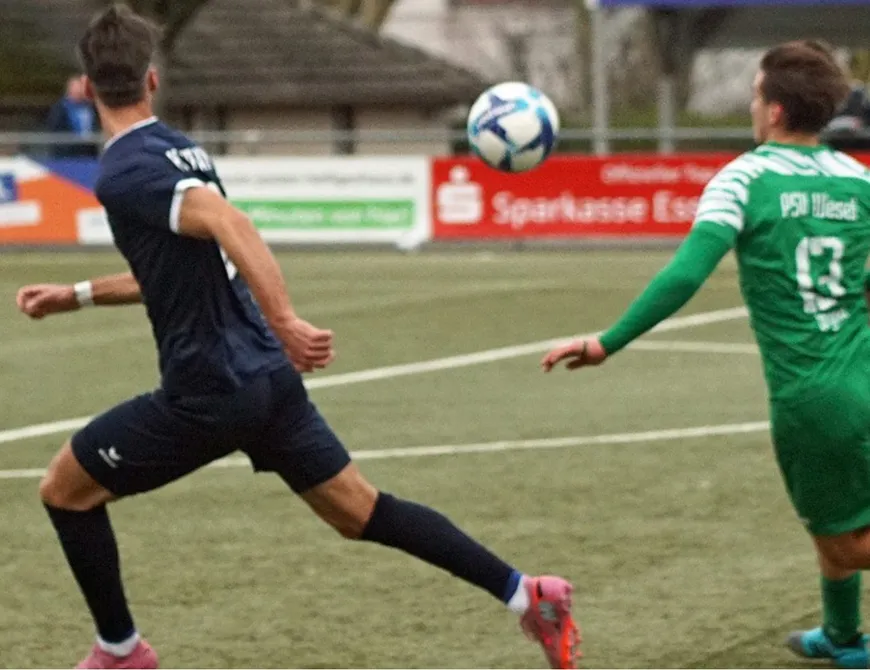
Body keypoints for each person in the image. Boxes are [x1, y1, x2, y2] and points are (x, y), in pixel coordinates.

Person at [16, 5, 578, 670]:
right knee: (360, 513)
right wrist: (75, 295)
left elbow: (234, 226)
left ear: (86, 83)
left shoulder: (124, 170)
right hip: (263, 381)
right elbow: (175, 269)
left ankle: (121, 650)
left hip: (210, 389)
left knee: (64, 489)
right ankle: (526, 595)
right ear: (153, 80)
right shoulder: (178, 149)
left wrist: (285, 320)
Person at [542, 39, 870, 669]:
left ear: (774, 111)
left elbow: (686, 273)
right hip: (860, 371)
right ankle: (845, 636)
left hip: (813, 394)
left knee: (849, 540)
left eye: (753, 94)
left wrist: (608, 341)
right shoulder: (858, 181)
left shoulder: (746, 177)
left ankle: (846, 636)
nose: (751, 105)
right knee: (835, 521)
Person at [46, 75, 99, 159]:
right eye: (76, 87)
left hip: (88, 152)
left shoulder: (90, 107)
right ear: (69, 89)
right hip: (67, 153)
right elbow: (55, 127)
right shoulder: (60, 108)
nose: (79, 90)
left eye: (80, 87)